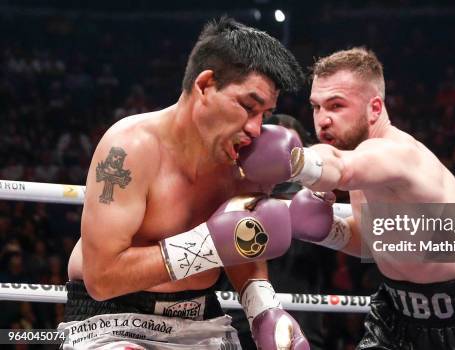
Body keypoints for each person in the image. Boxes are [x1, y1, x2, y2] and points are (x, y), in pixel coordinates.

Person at [238, 48, 455, 349]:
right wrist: (330, 232)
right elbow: (377, 243)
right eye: (316, 107)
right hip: (399, 314)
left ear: (374, 108)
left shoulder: (396, 155)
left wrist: (295, 160)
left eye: (336, 106)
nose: (323, 120)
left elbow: (338, 167)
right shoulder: (361, 162)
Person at [58, 17, 309, 350]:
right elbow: (102, 279)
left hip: (200, 318)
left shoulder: (241, 158)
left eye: (265, 113)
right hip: (113, 320)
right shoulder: (128, 149)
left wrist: (261, 307)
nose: (255, 127)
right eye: (248, 107)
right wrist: (204, 246)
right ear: (205, 85)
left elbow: (240, 239)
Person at [222, 114, 327, 349]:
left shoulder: (318, 199)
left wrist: (328, 222)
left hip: (303, 326)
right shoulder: (235, 198)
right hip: (240, 326)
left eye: (289, 154)